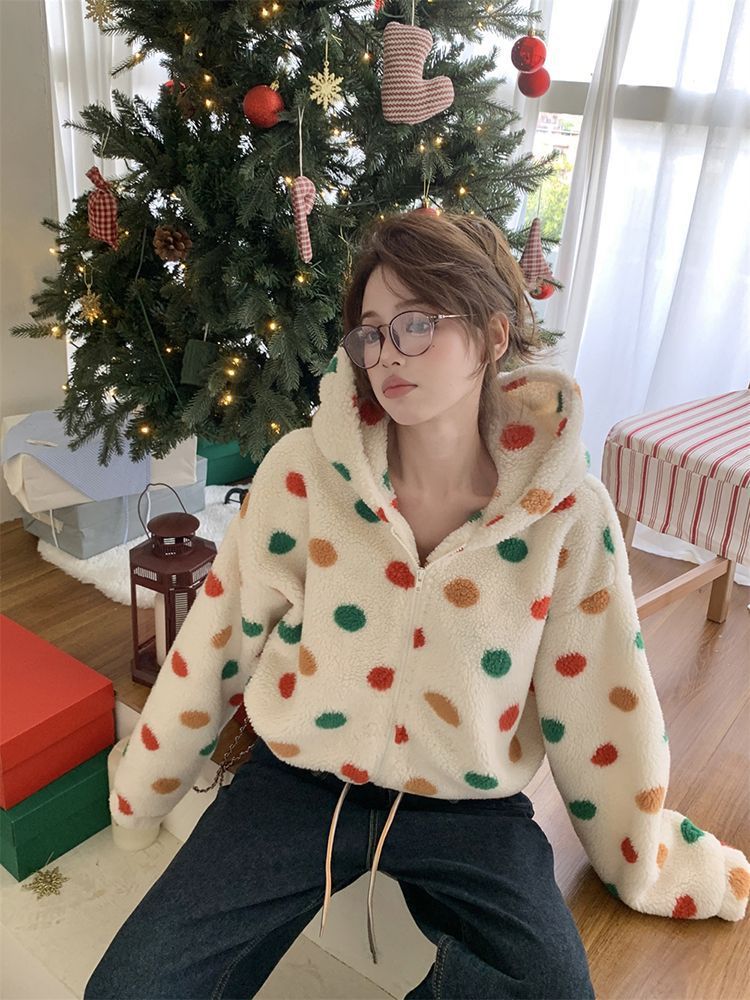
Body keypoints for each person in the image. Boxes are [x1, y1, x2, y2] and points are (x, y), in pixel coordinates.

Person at [84, 211, 748, 1000]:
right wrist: (145, 789)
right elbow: (218, 637)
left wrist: (640, 859)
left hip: (468, 808)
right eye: (371, 333)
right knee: (128, 989)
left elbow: (603, 699)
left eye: (417, 323)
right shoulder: (304, 473)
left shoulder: (568, 515)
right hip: (299, 783)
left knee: (554, 991)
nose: (387, 353)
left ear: (493, 336)